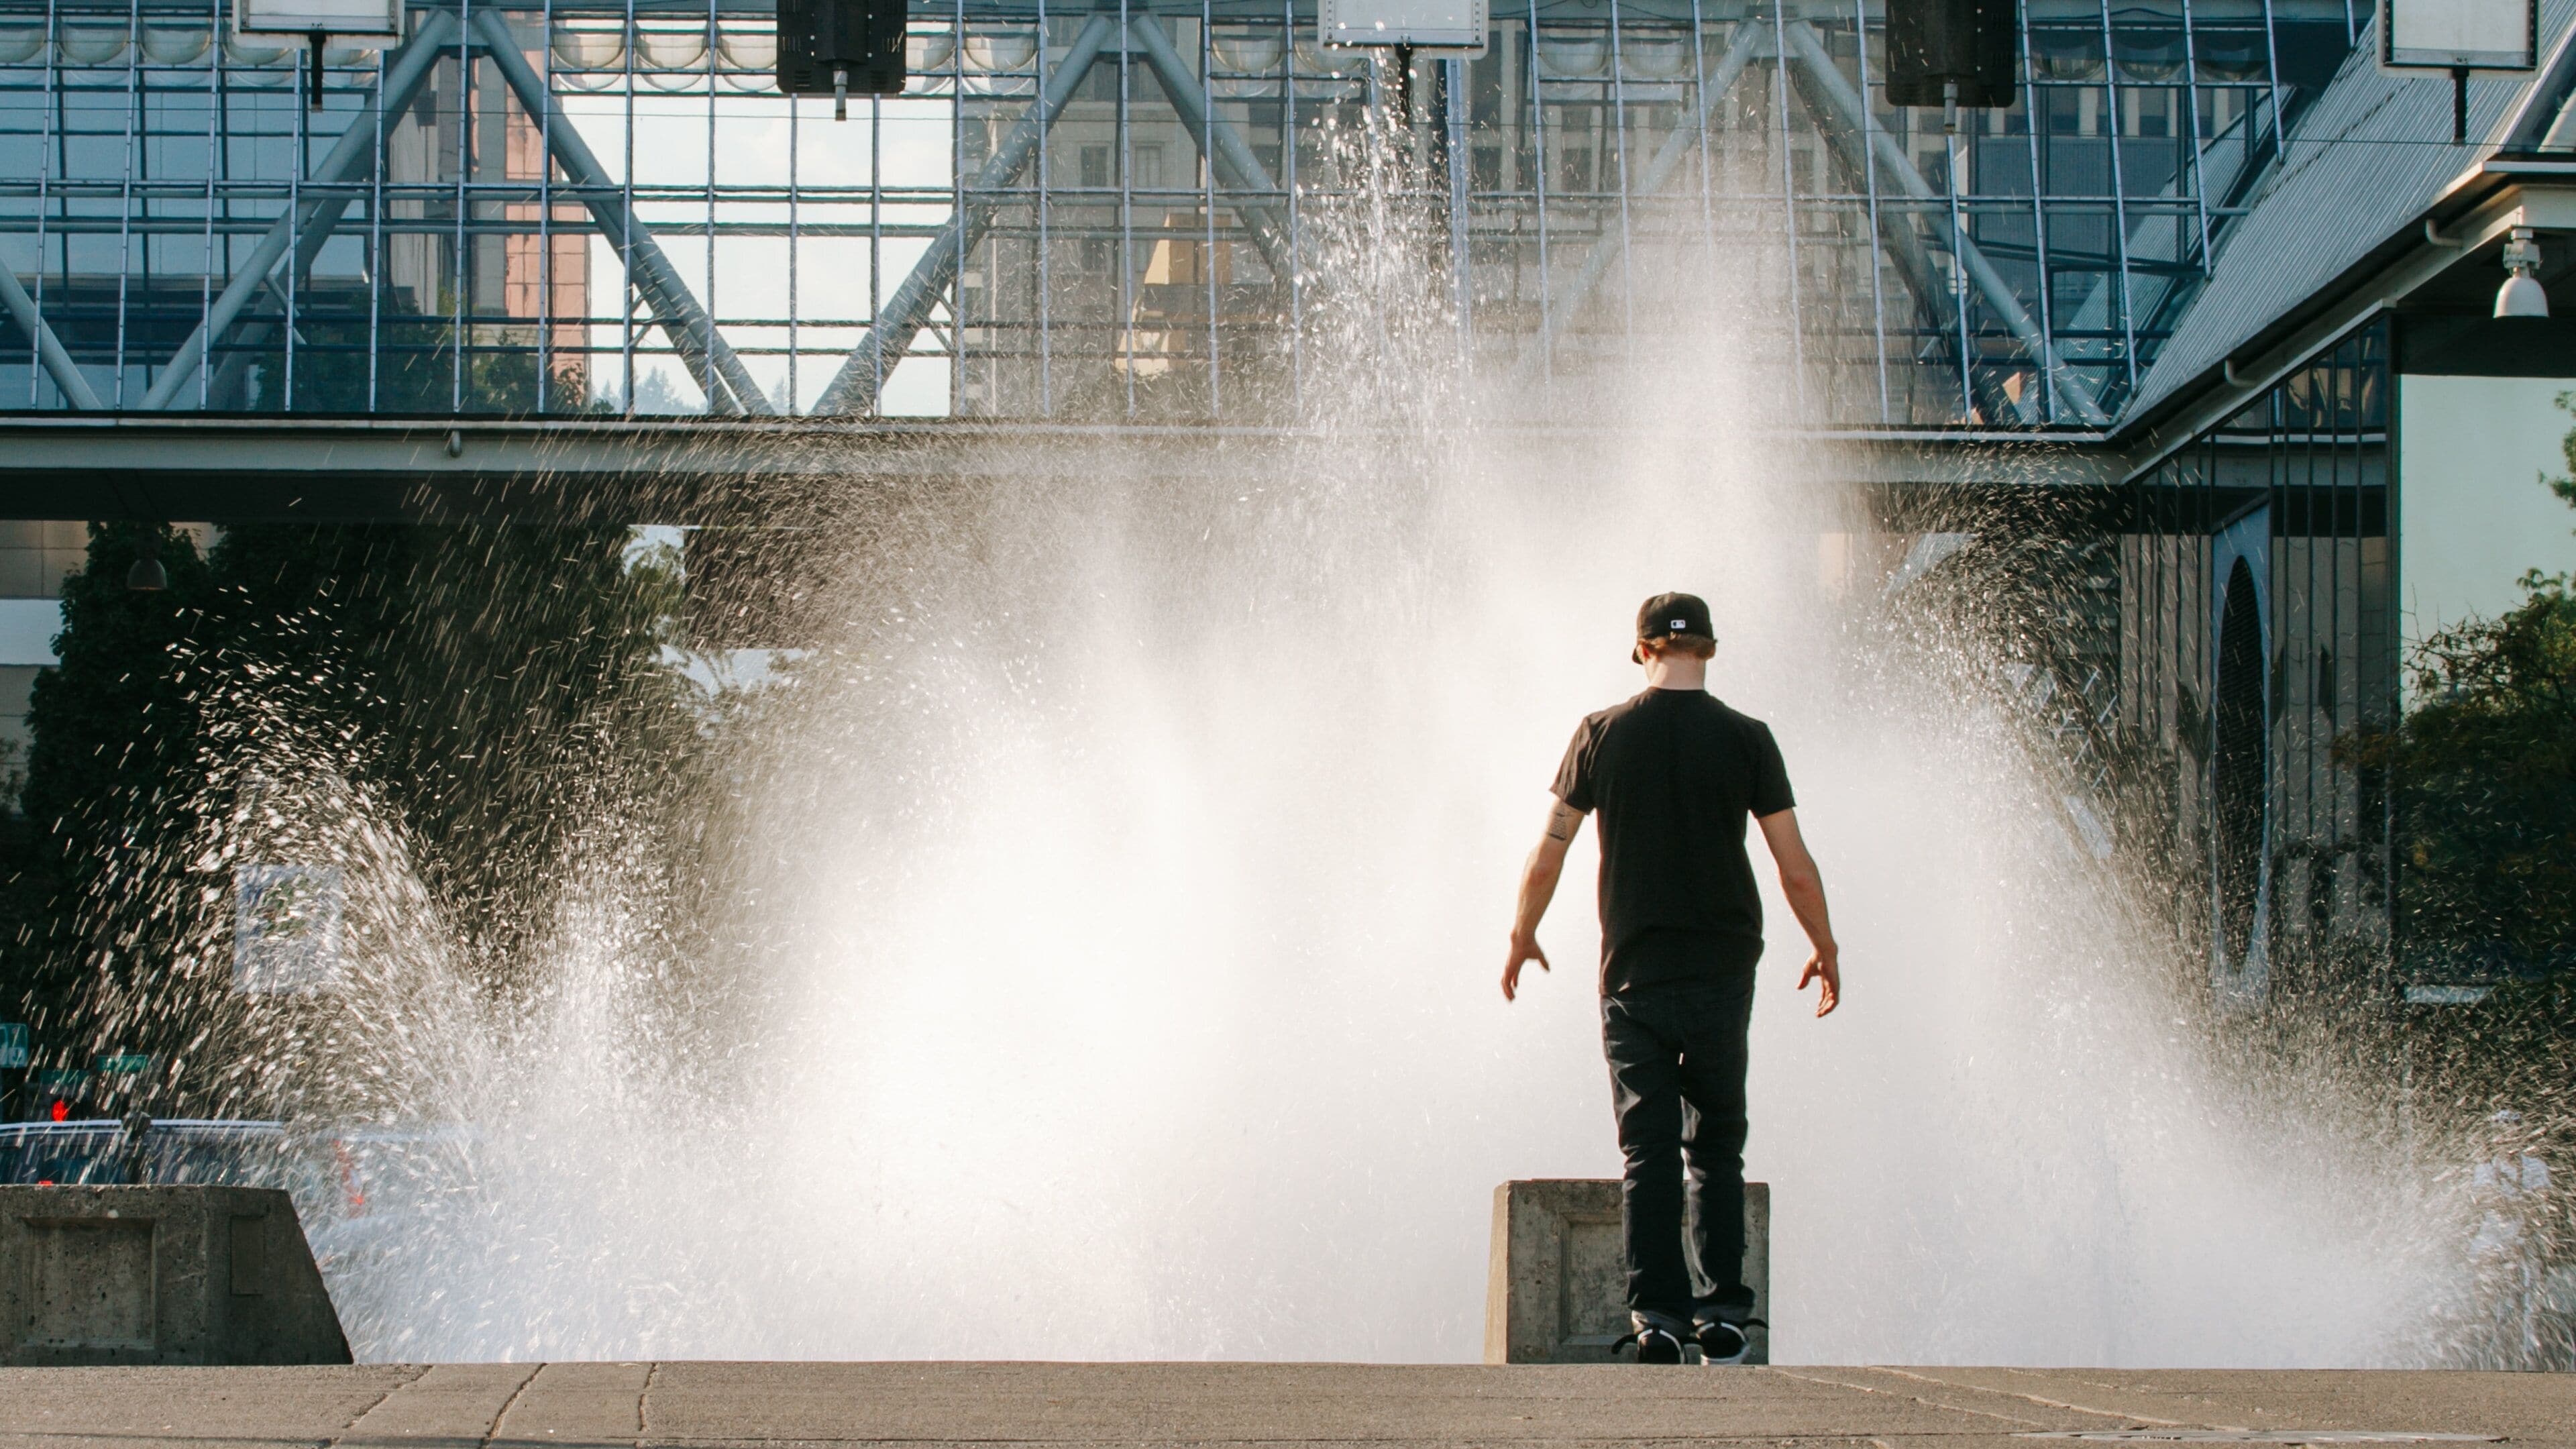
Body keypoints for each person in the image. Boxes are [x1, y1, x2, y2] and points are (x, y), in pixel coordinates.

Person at [1501, 591, 1840, 1366]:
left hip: (1633, 976)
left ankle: (1656, 1317)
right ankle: (1722, 1317)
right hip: (1723, 972)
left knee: (1647, 1151)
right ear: (1710, 650)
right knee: (1718, 1147)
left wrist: (1523, 934)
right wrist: (1824, 944)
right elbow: (1794, 865)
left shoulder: (1600, 735)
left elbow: (1548, 851)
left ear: (1640, 650)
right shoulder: (1749, 740)